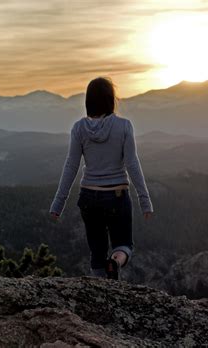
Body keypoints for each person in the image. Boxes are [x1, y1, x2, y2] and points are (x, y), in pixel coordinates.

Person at [49, 76, 153, 280]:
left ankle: (98, 293)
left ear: (88, 101)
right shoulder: (124, 126)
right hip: (116, 195)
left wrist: (57, 204)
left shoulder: (78, 128)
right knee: (123, 245)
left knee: (96, 253)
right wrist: (145, 200)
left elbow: (71, 166)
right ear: (110, 99)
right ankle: (115, 262)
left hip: (88, 197)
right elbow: (132, 164)